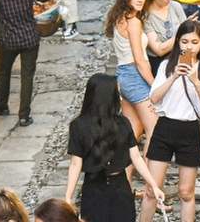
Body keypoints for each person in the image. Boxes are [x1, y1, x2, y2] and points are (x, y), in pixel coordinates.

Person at [140, 20, 200, 222]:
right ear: (177, 42)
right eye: (184, 41)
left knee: (186, 192)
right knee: (151, 189)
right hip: (165, 127)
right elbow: (154, 97)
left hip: (189, 129)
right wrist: (174, 76)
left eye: (194, 42)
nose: (189, 46)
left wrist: (195, 81)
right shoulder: (166, 65)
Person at [64, 74, 165, 221]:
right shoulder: (79, 126)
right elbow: (75, 163)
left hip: (116, 187)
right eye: (117, 93)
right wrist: (68, 196)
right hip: (98, 188)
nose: (120, 97)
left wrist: (153, 185)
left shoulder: (122, 123)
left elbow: (136, 157)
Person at [0, 0, 50, 125]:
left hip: (8, 39)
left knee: (4, 72)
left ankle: (2, 104)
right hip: (29, 38)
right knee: (27, 76)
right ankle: (24, 115)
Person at [104, 0, 157, 157]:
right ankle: (151, 183)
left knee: (132, 130)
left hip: (123, 76)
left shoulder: (119, 18)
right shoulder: (133, 22)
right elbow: (139, 59)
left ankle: (118, 175)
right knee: (154, 131)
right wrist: (155, 85)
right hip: (135, 76)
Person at [144, 0, 188, 75]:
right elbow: (158, 50)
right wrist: (182, 32)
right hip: (159, 64)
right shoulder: (146, 16)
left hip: (181, 57)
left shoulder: (175, 6)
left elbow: (188, 38)